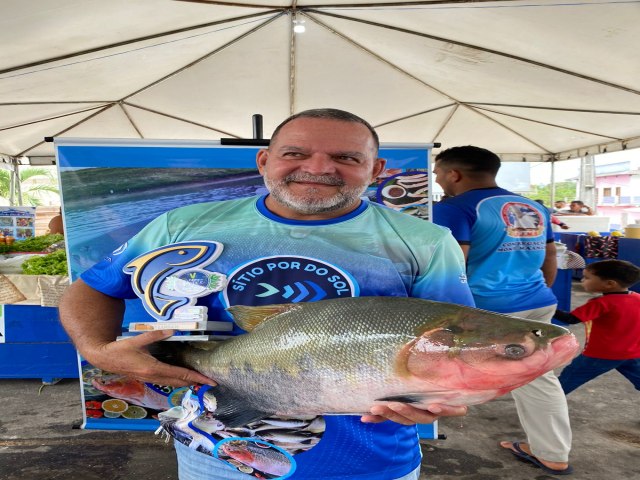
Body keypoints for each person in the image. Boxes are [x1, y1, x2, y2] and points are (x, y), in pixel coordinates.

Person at [59, 108, 473, 480]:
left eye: (346, 158)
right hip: (216, 453)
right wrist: (96, 349)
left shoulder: (426, 242)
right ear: (264, 161)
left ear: (376, 169)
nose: (318, 168)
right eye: (295, 153)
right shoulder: (182, 226)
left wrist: (441, 398)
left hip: (368, 458)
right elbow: (93, 289)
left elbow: (456, 343)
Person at [431, 146, 573, 476]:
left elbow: (454, 263)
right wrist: (540, 291)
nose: (438, 180)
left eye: (439, 173)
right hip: (537, 299)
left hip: (488, 311)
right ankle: (550, 448)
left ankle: (551, 452)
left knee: (437, 368)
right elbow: (550, 255)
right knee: (538, 377)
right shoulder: (532, 206)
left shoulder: (455, 208)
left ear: (454, 174)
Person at [554, 260, 640, 394]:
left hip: (600, 355)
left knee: (568, 380)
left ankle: (545, 404)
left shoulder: (601, 303)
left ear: (609, 284)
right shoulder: (637, 298)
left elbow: (570, 319)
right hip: (633, 353)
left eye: (587, 278)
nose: (582, 280)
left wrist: (548, 306)